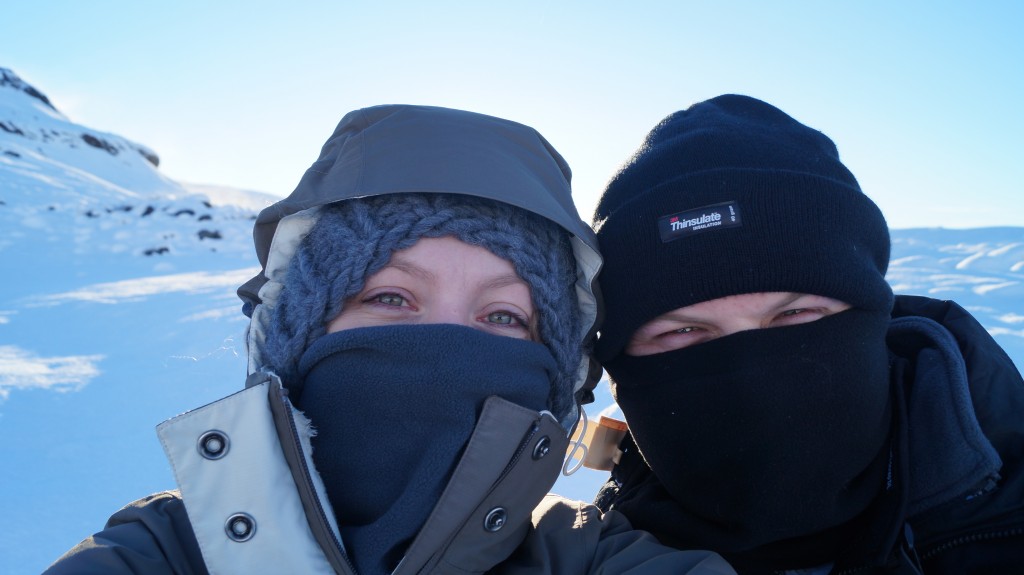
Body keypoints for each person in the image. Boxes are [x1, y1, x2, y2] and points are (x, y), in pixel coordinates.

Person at [45, 105, 735, 575]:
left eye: (502, 318)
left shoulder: (591, 557)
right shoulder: (160, 552)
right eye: (390, 297)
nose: (444, 344)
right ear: (294, 339)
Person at [590, 94, 1024, 574]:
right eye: (685, 330)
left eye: (796, 314)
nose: (751, 375)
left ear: (870, 318)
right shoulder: (576, 551)